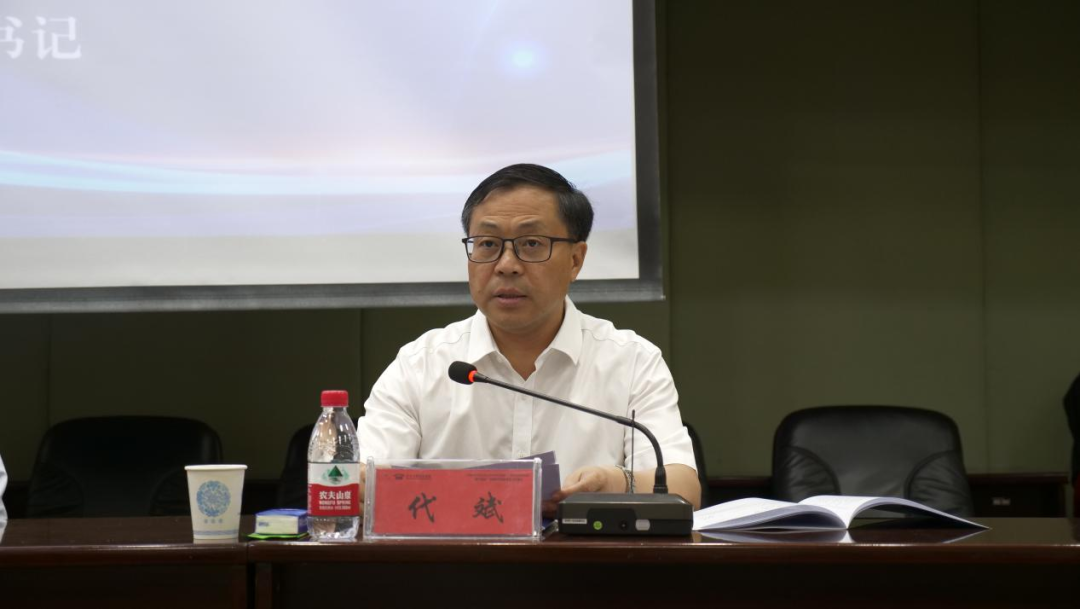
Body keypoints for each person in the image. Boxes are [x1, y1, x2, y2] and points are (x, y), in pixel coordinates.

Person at [357, 164, 701, 509]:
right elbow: (359, 483)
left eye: (532, 244)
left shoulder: (631, 360)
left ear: (575, 260)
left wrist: (614, 482)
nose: (506, 264)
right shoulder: (421, 364)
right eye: (488, 244)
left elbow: (684, 491)